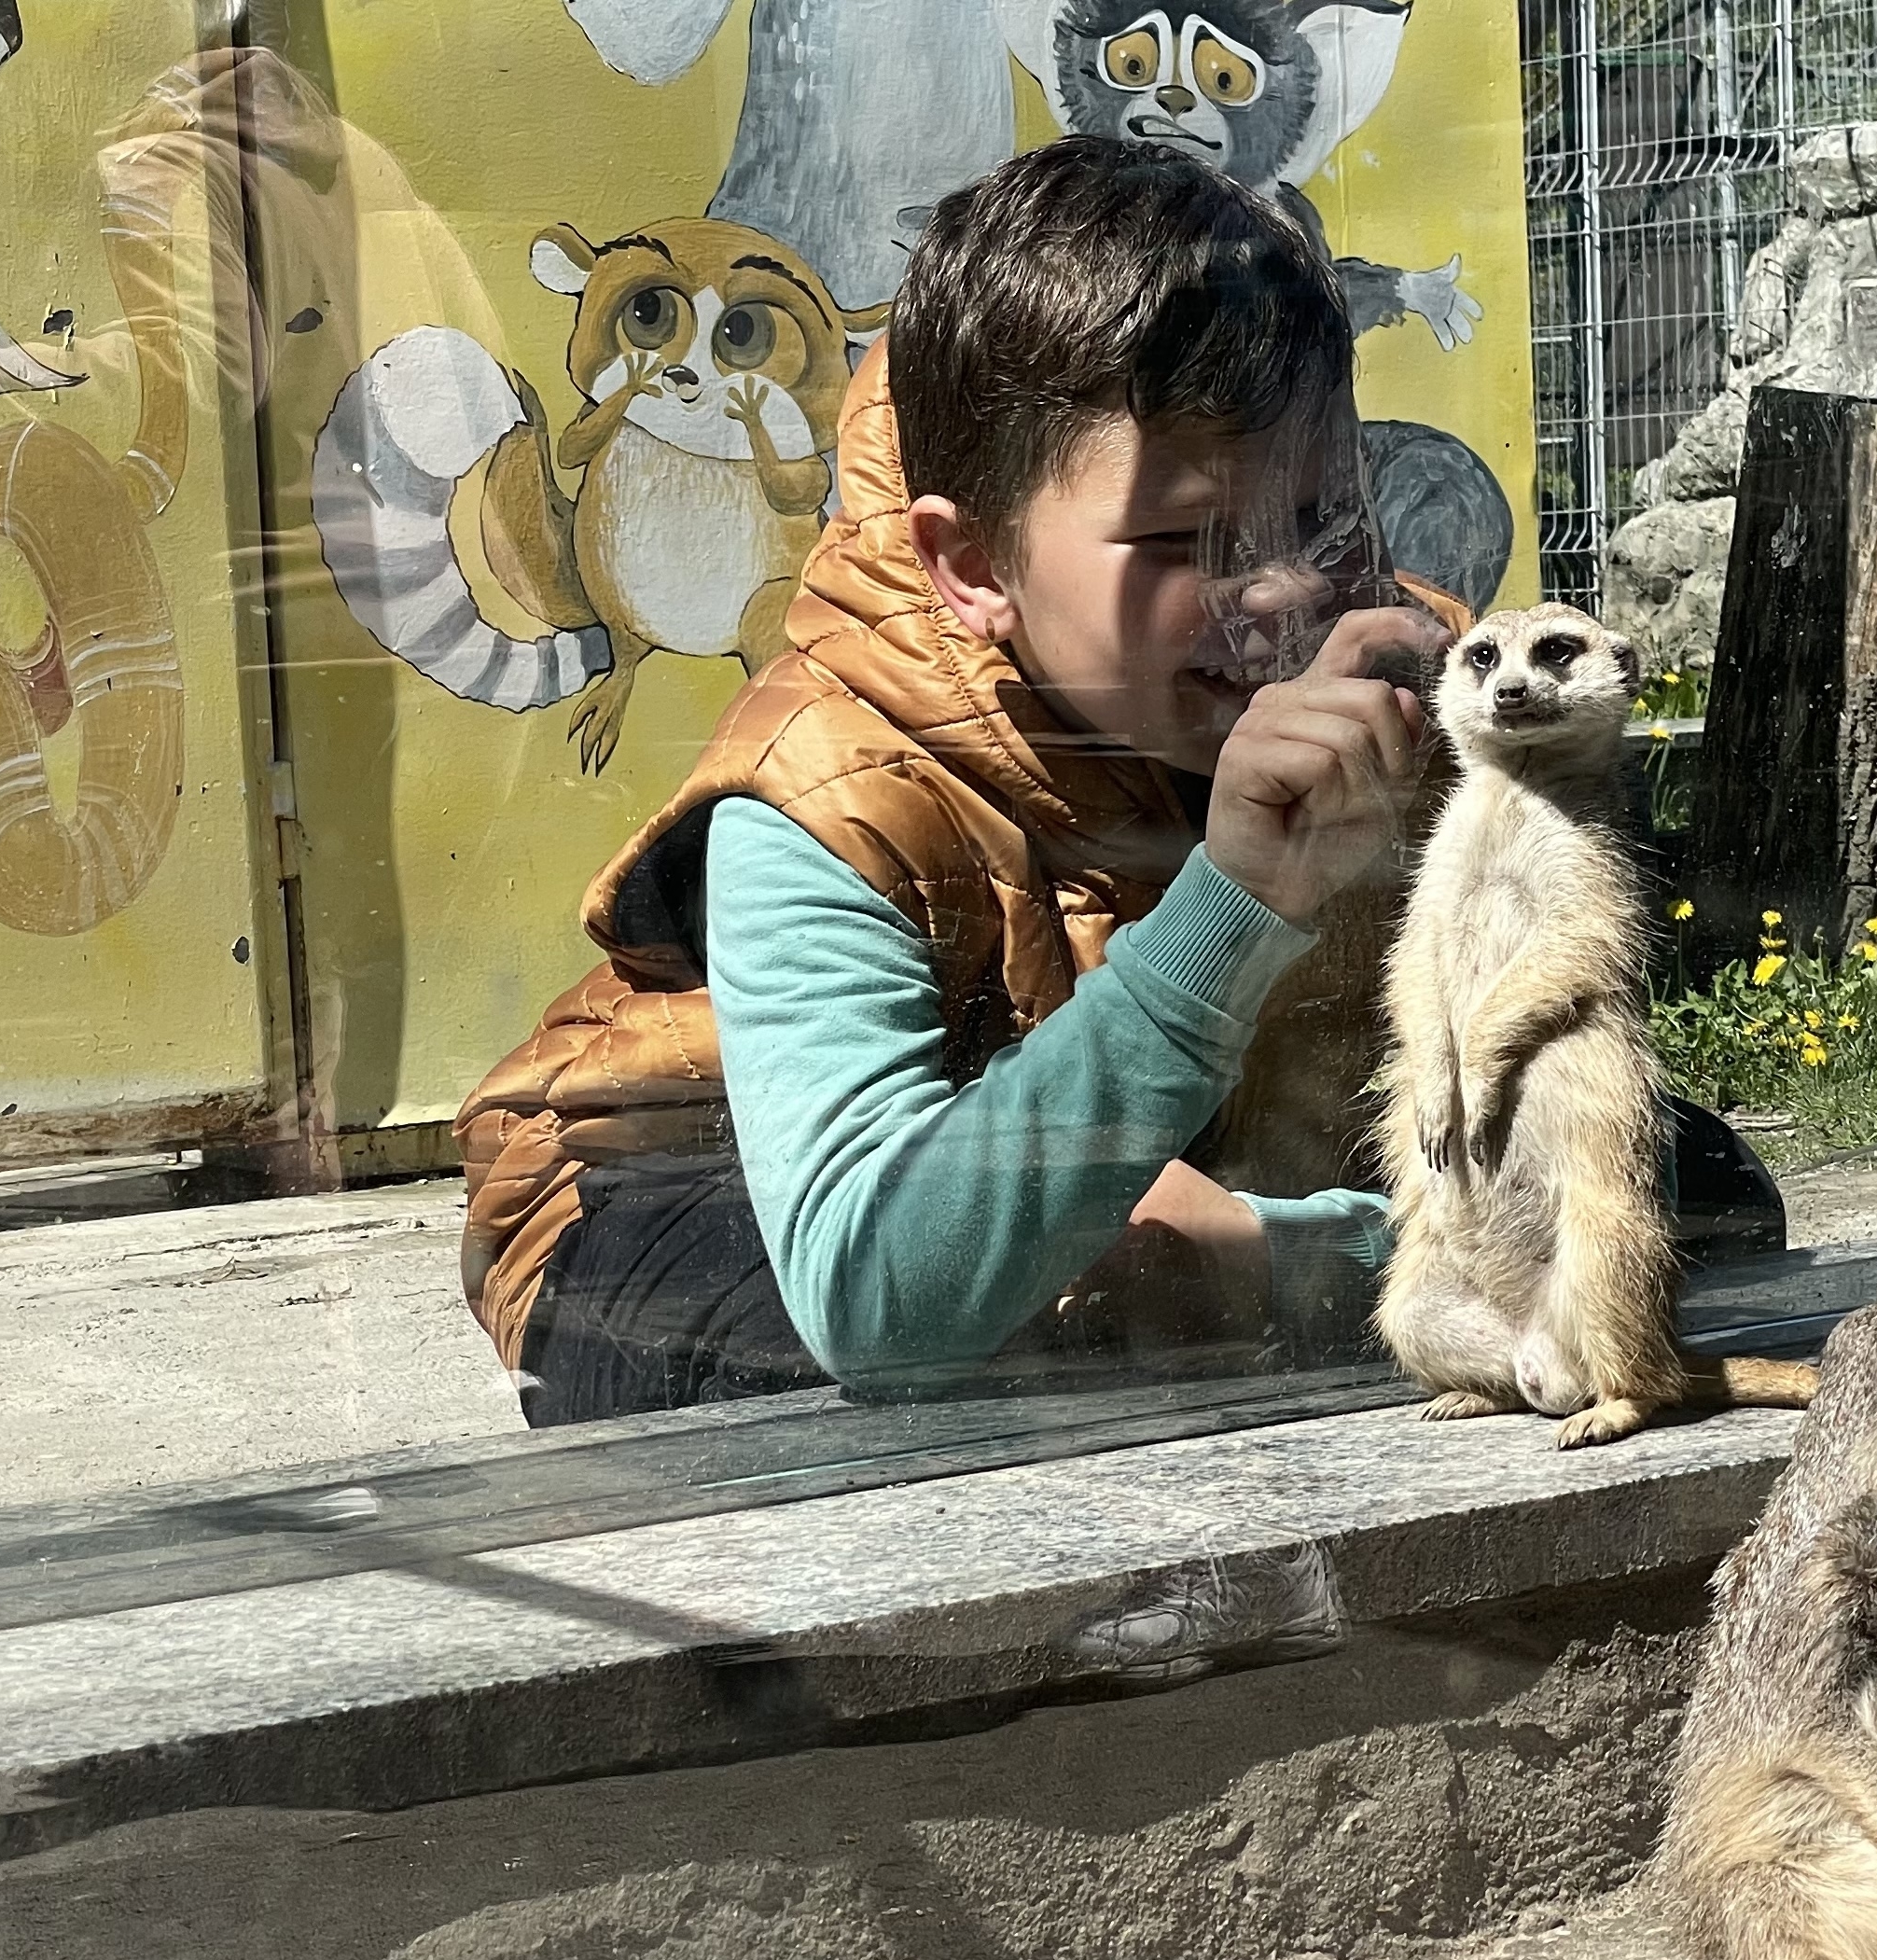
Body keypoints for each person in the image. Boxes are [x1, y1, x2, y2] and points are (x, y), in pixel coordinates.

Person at [456, 137, 1773, 1426]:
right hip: (691, 1186)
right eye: (1189, 541)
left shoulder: (1413, 684)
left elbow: (1562, 1109)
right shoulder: (826, 782)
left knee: (1686, 1183)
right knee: (974, 1319)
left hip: (1131, 1140)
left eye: (1319, 517)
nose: (1282, 591)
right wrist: (1240, 905)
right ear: (971, 569)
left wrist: (1285, 1244)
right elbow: (872, 1292)